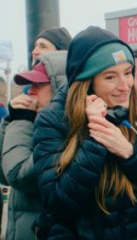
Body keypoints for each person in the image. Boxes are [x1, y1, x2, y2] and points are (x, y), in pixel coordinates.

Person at [33, 26, 137, 240]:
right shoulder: (53, 119)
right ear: (87, 84)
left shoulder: (135, 110)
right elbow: (57, 202)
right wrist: (96, 137)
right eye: (110, 77)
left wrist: (129, 152)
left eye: (128, 73)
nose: (124, 86)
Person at [0, 51, 67, 240]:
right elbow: (3, 173)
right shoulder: (37, 122)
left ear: (60, 86)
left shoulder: (65, 131)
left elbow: (18, 174)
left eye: (39, 84)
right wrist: (10, 120)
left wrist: (21, 120)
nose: (30, 91)